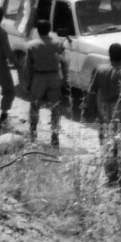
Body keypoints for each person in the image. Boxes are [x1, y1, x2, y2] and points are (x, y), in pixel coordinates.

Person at [87, 43, 121, 185]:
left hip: (103, 107)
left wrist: (89, 109)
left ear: (109, 55)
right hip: (119, 107)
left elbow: (92, 91)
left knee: (106, 139)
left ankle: (110, 173)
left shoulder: (99, 69)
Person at [26, 19, 68, 147]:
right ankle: (54, 136)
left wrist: (28, 82)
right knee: (55, 107)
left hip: (38, 77)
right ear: (49, 29)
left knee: (35, 105)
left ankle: (33, 132)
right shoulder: (58, 44)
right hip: (54, 77)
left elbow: (28, 66)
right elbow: (64, 61)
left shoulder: (32, 45)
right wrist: (65, 77)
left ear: (37, 30)